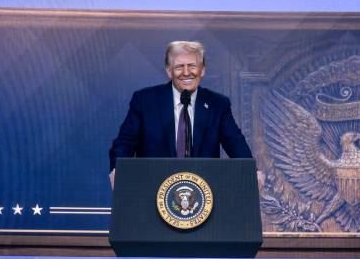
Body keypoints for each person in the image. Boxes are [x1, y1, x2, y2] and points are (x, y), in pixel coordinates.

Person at [108, 40, 253, 187]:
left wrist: (252, 171)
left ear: (202, 70)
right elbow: (125, 142)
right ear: (169, 71)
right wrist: (118, 169)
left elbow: (235, 142)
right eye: (179, 67)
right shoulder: (145, 101)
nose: (186, 72)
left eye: (192, 66)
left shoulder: (218, 104)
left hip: (203, 190)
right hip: (153, 186)